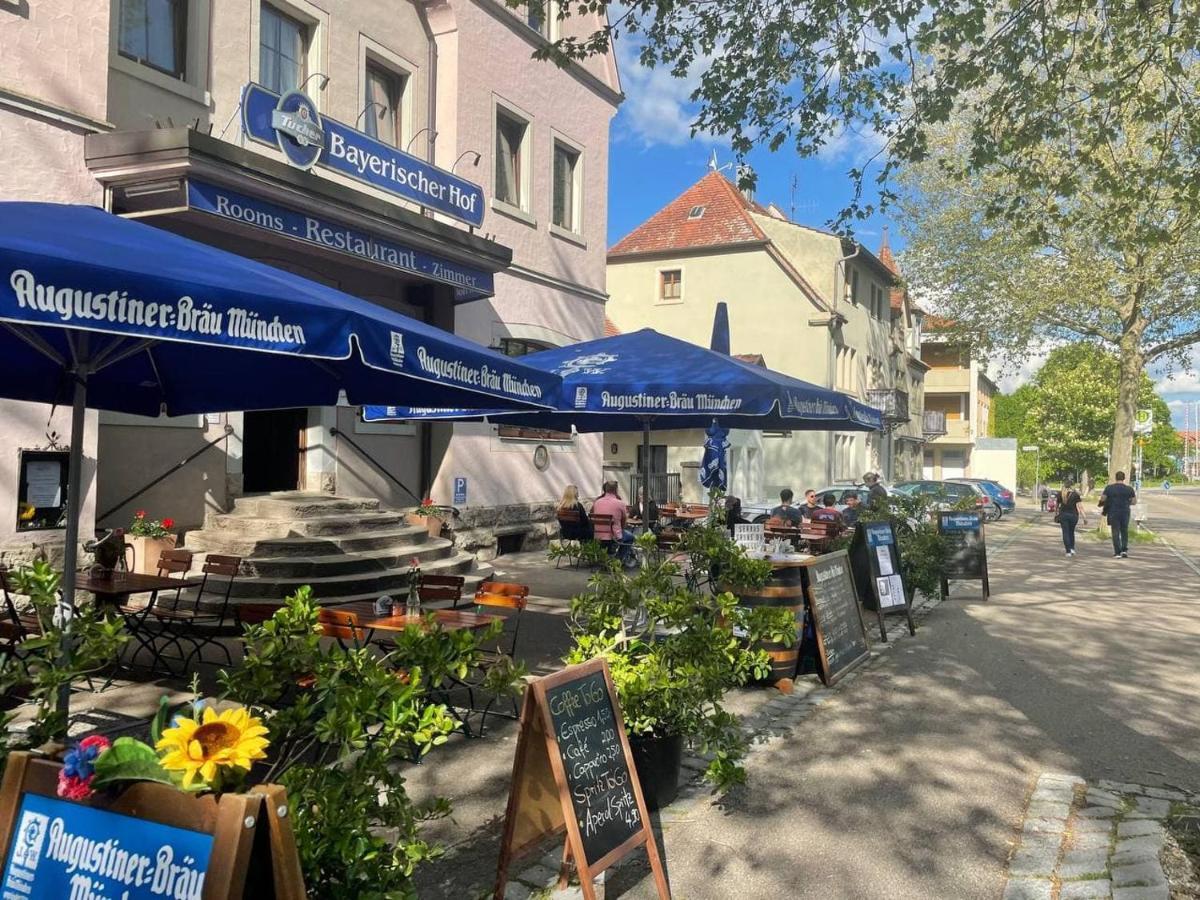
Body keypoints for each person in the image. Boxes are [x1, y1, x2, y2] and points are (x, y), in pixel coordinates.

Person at [593, 481, 635, 565]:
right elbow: (624, 520)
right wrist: (621, 529)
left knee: (624, 534)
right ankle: (618, 560)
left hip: (598, 534)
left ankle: (608, 559)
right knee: (630, 537)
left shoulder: (597, 502)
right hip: (613, 535)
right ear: (616, 490)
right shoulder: (620, 503)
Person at [1099, 471, 1136, 558]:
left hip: (1113, 512)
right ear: (1124, 478)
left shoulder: (1109, 488)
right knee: (1124, 531)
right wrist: (1127, 503)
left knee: (1115, 532)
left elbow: (1103, 498)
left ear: (1116, 478)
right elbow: (1134, 502)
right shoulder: (1129, 489)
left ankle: (1117, 552)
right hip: (1125, 512)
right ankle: (1124, 550)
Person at [1055, 480, 1086, 557]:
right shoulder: (1075, 495)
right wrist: (1084, 518)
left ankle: (1068, 551)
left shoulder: (1060, 494)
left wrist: (1056, 514)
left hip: (1063, 515)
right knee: (1071, 532)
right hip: (1073, 515)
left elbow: (1057, 505)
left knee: (1065, 533)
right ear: (1072, 486)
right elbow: (1080, 507)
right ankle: (1072, 548)